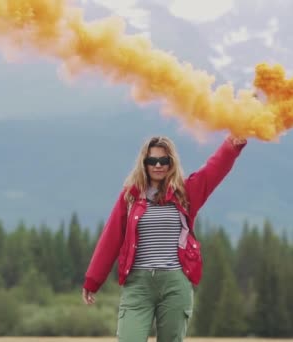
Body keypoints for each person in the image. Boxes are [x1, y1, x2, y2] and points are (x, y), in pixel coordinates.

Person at [82, 134, 247, 341]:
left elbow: (213, 170)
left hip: (175, 284)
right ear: (144, 163)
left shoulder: (186, 193)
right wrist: (93, 281)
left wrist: (232, 144)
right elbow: (111, 237)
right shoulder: (130, 196)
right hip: (138, 285)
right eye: (152, 160)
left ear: (172, 163)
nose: (158, 165)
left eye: (164, 160)